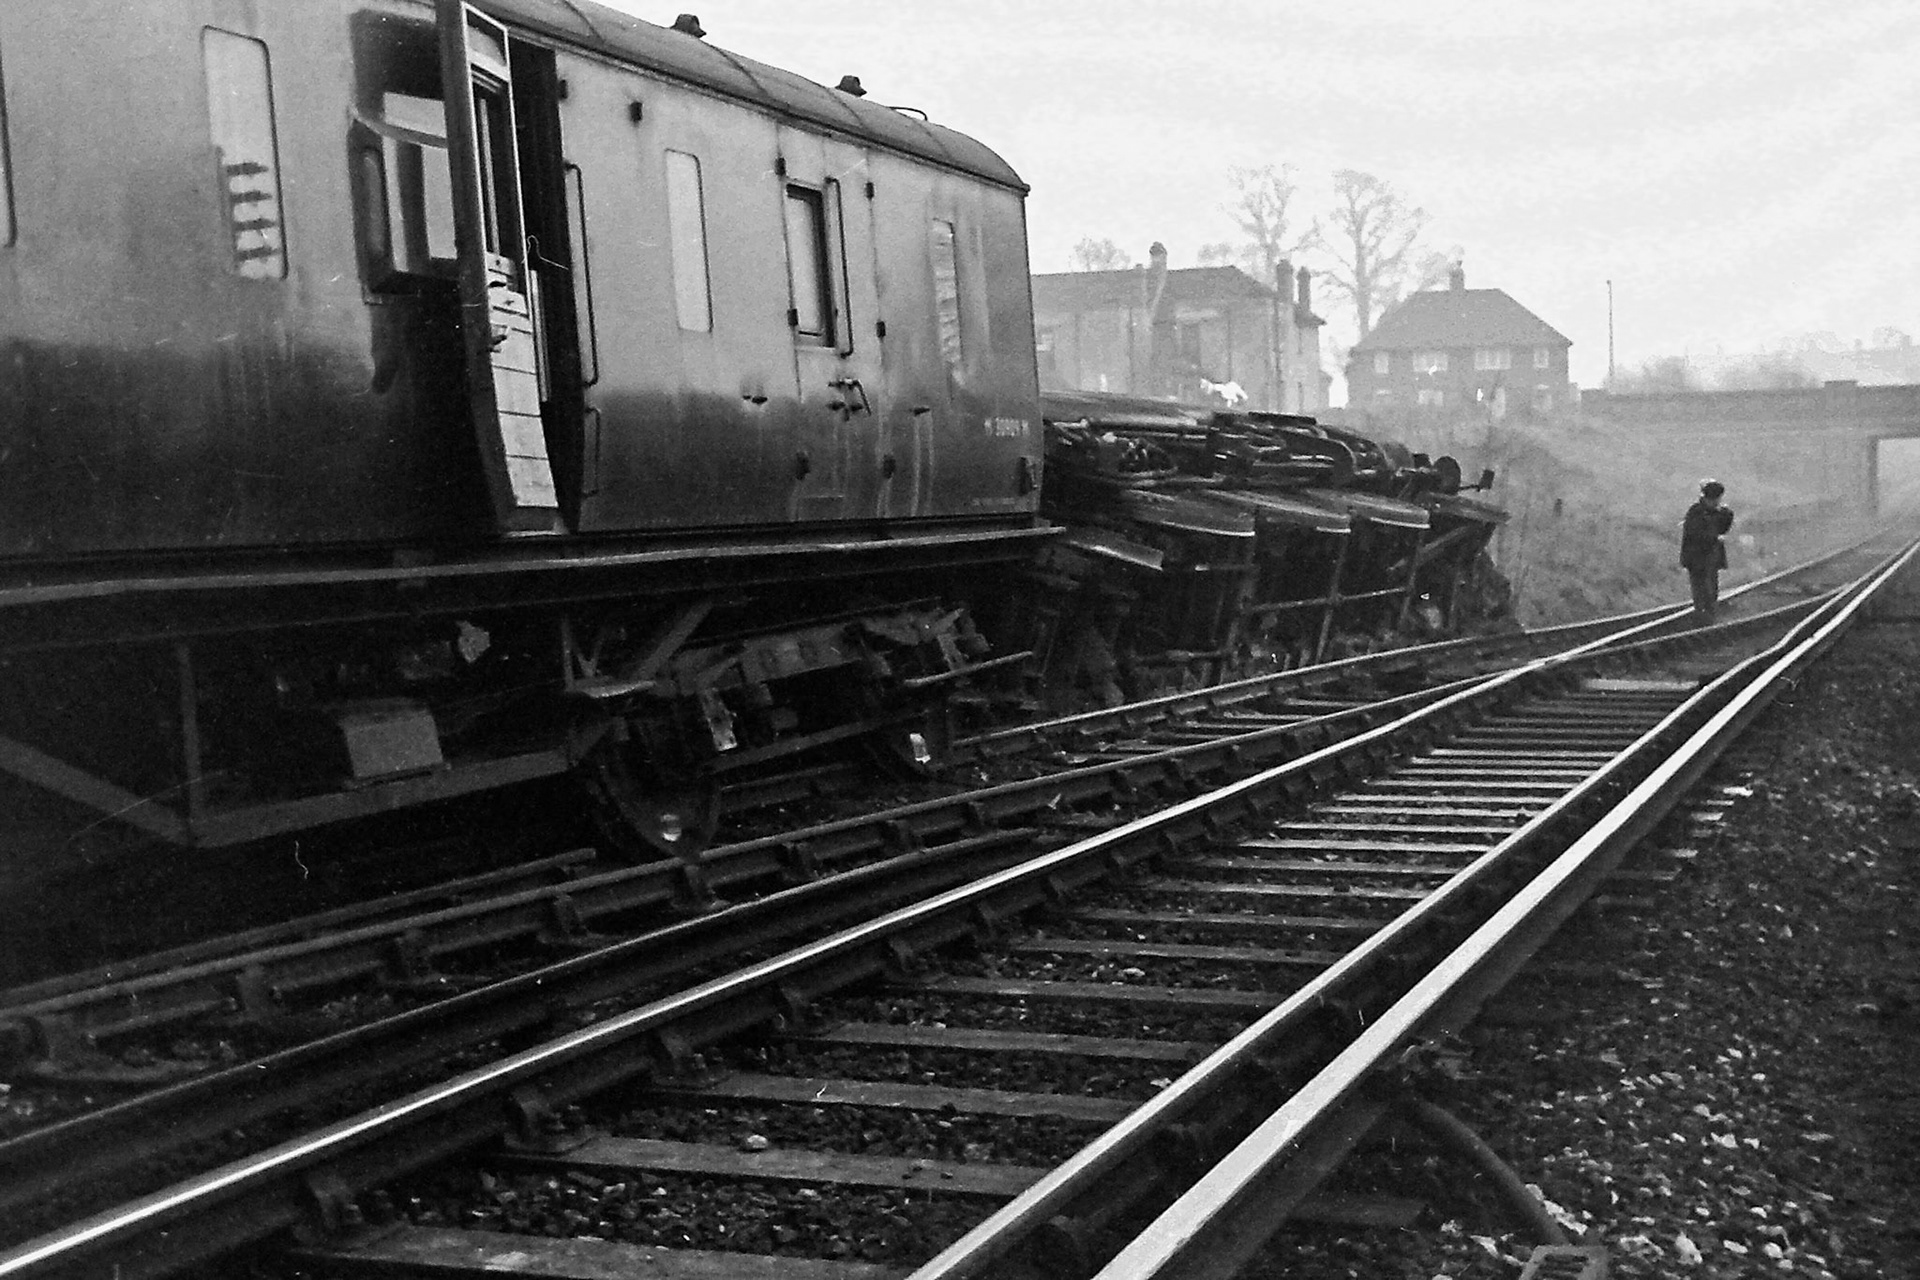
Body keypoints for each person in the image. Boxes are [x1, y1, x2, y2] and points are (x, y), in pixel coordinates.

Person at [1680, 479, 1735, 618]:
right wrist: (1714, 538)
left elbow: (1725, 526)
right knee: (1703, 591)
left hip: (1710, 559)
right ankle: (1703, 617)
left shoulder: (1715, 512)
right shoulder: (1696, 512)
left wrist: (1725, 513)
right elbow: (1695, 534)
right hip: (1697, 559)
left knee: (1710, 591)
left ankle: (1707, 616)